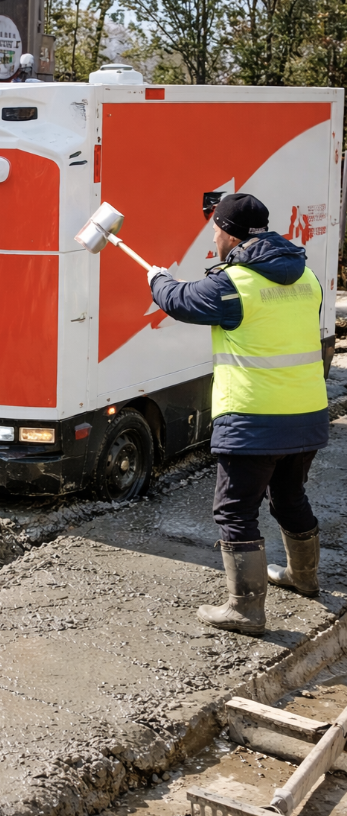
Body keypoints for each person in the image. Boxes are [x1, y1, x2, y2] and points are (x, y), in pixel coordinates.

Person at [148, 193, 328, 636]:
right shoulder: (307, 276)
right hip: (306, 414)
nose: (214, 236)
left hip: (253, 419)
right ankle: (304, 578)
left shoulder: (233, 284)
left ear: (227, 232)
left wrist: (156, 278)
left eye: (215, 229)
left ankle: (245, 610)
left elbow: (180, 301)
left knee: (234, 511)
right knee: (290, 497)